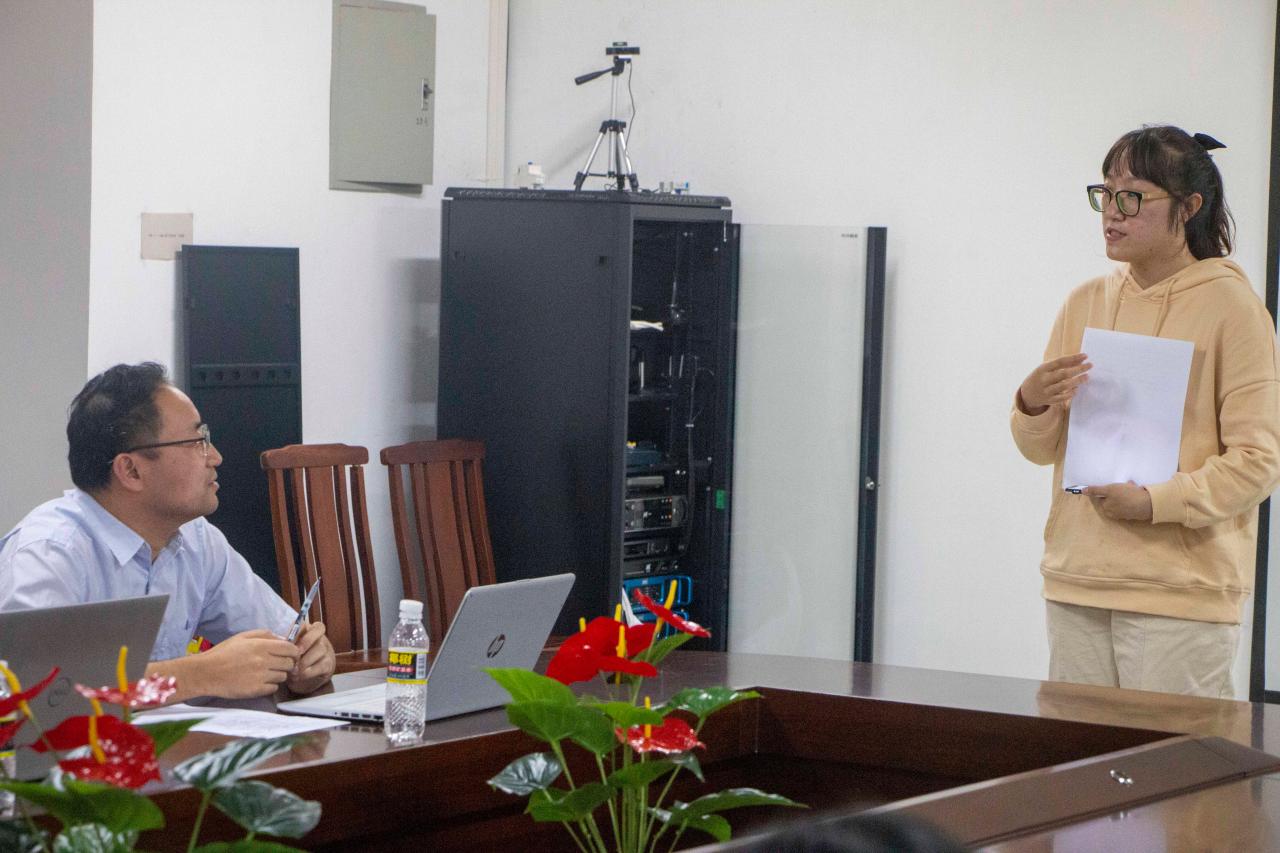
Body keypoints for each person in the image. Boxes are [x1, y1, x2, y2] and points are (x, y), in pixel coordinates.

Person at [1011, 125, 1280, 698]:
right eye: (1106, 194)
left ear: (1190, 207)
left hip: (1180, 596)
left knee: (1173, 757)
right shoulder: (1084, 301)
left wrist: (1157, 502)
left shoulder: (1234, 309)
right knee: (1075, 754)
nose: (1112, 212)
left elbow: (1258, 462)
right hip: (1077, 580)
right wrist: (1032, 403)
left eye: (1132, 196)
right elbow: (1040, 450)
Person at [0, 362, 335, 702]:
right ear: (131, 470)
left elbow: (286, 639)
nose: (216, 457)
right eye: (198, 441)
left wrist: (309, 659)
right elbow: (28, 696)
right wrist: (198, 675)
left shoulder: (196, 538)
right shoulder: (49, 551)